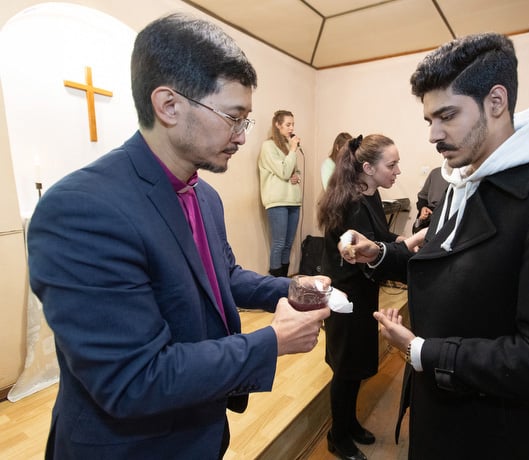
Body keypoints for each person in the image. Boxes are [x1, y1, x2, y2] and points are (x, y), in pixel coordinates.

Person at [27, 14, 330, 460]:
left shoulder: (204, 196)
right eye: (234, 118)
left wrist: (292, 288)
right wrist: (272, 341)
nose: (242, 137)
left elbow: (220, 275)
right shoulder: (81, 208)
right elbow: (133, 378)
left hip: (199, 431)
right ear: (169, 105)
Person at [339, 33, 529, 459]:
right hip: (439, 412)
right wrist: (378, 252)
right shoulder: (462, 181)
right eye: (429, 119)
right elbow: (442, 264)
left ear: (496, 101)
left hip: (493, 430)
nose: (433, 134)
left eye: (446, 115)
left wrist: (423, 351)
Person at [317, 134, 415, 460]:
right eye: (393, 164)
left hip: (363, 295)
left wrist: (401, 239)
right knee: (345, 371)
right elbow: (364, 251)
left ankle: (350, 423)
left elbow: (379, 236)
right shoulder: (350, 205)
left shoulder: (369, 194)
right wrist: (406, 246)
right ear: (368, 168)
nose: (398, 171)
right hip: (346, 298)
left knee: (356, 367)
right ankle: (337, 436)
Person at [258, 110, 303, 277]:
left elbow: (295, 171)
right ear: (278, 125)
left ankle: (284, 283)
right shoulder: (268, 147)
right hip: (277, 202)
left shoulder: (287, 147)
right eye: (288, 124)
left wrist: (297, 176)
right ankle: (274, 285)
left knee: (288, 244)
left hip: (293, 201)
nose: (291, 128)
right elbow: (284, 172)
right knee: (278, 244)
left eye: (293, 125)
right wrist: (292, 150)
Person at [411, 165, 447, 233]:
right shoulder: (436, 173)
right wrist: (423, 208)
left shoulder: (466, 175)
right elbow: (422, 196)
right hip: (430, 214)